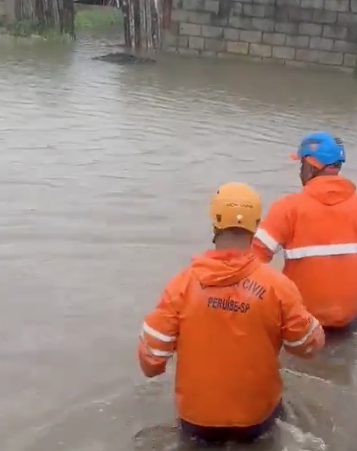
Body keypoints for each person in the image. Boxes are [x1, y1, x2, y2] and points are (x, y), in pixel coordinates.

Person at [137, 182, 325, 446]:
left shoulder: (181, 285)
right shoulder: (278, 287)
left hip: (196, 419)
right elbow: (307, 347)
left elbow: (151, 360)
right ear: (256, 225)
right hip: (256, 418)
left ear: (214, 221)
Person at [252, 132, 357, 338]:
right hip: (348, 319)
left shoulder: (287, 208)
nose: (299, 172)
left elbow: (252, 259)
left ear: (311, 167)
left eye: (301, 166)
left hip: (301, 320)